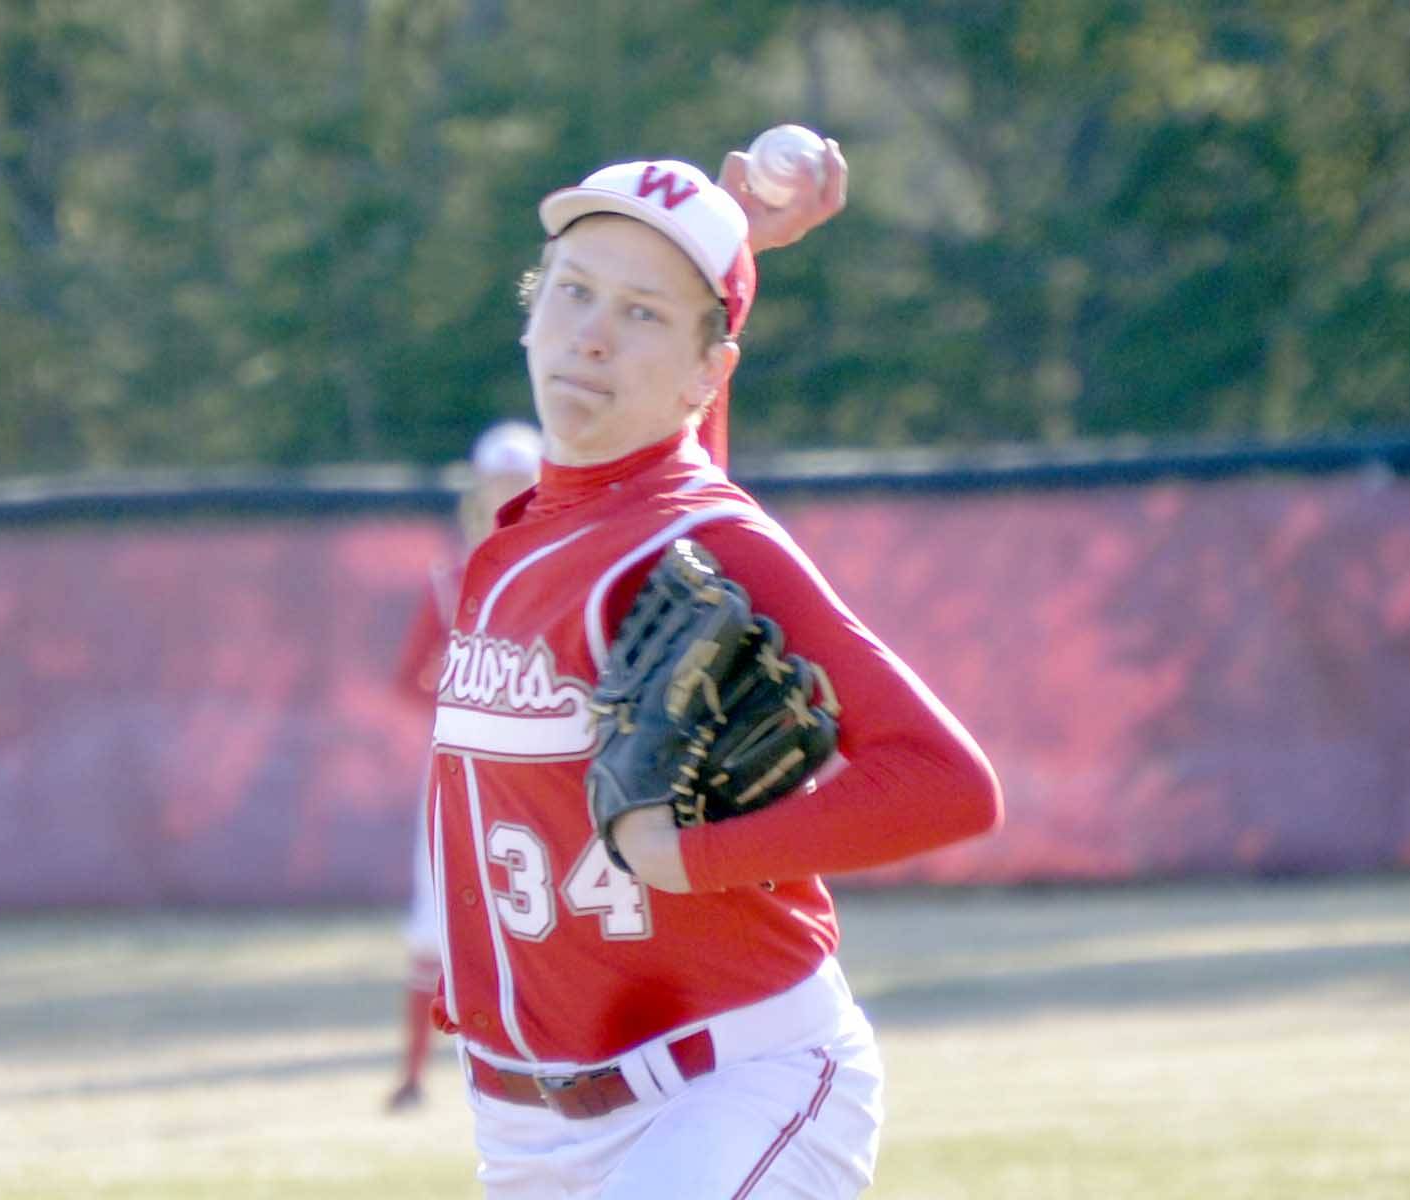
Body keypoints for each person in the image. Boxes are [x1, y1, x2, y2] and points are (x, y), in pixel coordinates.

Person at [424, 138, 1003, 1198]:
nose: (591, 335)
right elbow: (668, 456)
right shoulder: (527, 539)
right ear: (531, 308)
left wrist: (687, 860)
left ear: (708, 369)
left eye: (642, 313)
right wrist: (737, 248)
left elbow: (946, 784)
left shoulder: (710, 537)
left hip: (728, 1085)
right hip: (527, 1130)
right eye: (573, 292)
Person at [386, 419, 545, 1113]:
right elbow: (406, 679)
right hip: (461, 767)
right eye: (499, 481)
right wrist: (465, 708)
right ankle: (414, 1075)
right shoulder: (452, 577)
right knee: (435, 921)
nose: (508, 492)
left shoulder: (557, 565)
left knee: (547, 915)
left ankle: (554, 1059)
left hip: (544, 767)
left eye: (521, 481)